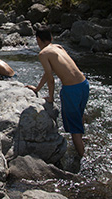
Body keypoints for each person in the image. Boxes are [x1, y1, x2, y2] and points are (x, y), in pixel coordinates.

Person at [25, 27, 89, 157]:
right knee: (79, 115)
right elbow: (50, 71)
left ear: (37, 40)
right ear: (51, 38)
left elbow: (50, 78)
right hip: (84, 84)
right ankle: (83, 140)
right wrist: (37, 88)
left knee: (74, 129)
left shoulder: (43, 54)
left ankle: (83, 158)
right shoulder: (59, 47)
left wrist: (51, 97)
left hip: (71, 90)